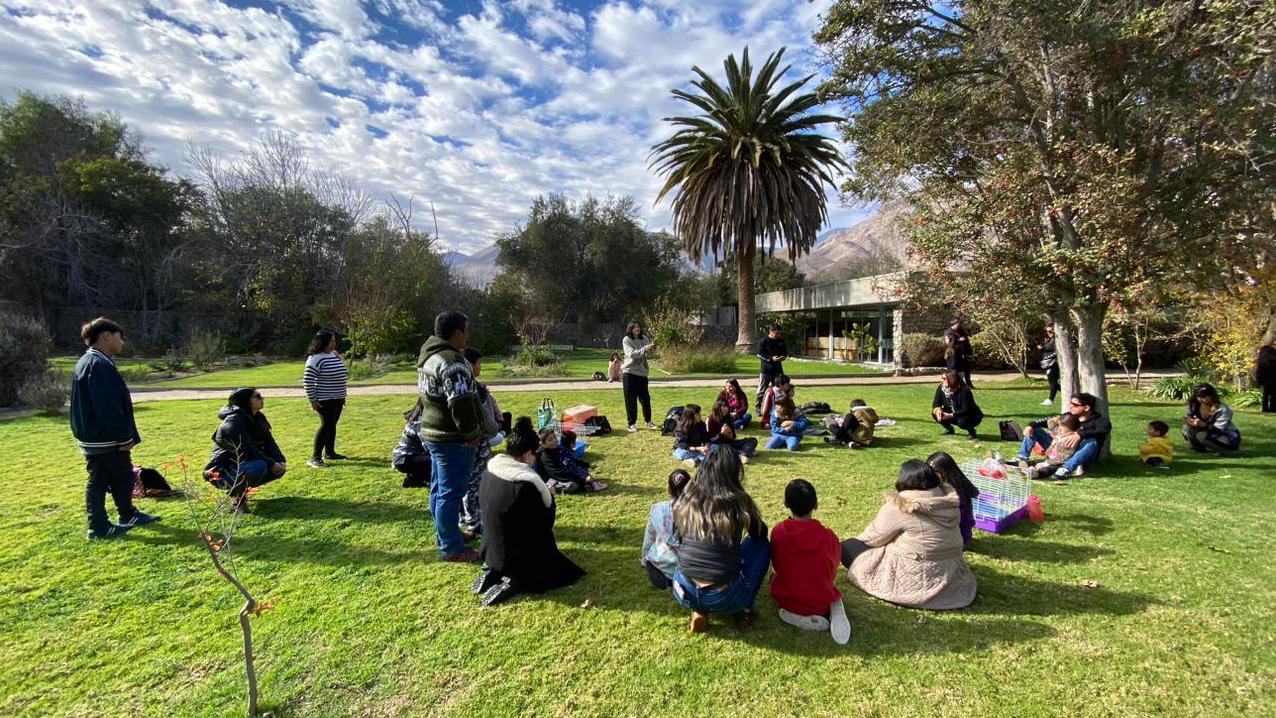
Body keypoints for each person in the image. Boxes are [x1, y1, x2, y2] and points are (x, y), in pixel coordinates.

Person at [471, 417, 585, 606]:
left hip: (491, 546)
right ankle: (513, 578)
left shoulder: (490, 471)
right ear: (526, 454)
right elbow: (543, 525)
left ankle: (493, 568)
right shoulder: (525, 485)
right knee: (549, 556)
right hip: (516, 556)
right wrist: (549, 497)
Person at [840, 460, 977, 610]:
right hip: (951, 576)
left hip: (915, 577)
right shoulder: (949, 501)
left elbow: (873, 538)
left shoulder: (901, 505)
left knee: (847, 547)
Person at [70, 317, 160, 539]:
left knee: (113, 477)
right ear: (106, 336)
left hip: (95, 436)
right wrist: (123, 436)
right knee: (106, 479)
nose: (122, 342)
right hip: (104, 437)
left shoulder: (91, 361)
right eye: (119, 337)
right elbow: (106, 406)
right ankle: (100, 526)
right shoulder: (98, 365)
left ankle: (125, 515)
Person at [671, 449, 770, 633]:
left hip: (682, 587)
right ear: (733, 472)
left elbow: (679, 539)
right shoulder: (738, 501)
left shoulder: (687, 497)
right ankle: (743, 611)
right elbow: (760, 534)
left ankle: (698, 610)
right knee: (762, 546)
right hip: (722, 595)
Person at [418, 311, 485, 562]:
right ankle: (452, 548)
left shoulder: (430, 355)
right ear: (457, 333)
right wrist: (471, 433)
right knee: (451, 493)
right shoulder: (452, 362)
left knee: (439, 488)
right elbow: (460, 403)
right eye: (466, 331)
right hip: (452, 437)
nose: (468, 336)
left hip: (434, 434)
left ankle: (446, 535)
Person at [769, 479, 852, 645]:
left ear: (786, 504)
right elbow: (833, 568)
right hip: (820, 602)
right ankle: (830, 605)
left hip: (785, 599)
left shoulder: (778, 532)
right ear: (816, 505)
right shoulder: (829, 537)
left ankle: (796, 613)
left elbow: (776, 565)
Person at [203, 388, 287, 514]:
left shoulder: (258, 417)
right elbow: (246, 449)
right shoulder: (233, 422)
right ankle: (238, 502)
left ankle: (238, 490)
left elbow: (269, 441)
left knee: (276, 468)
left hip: (242, 464)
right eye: (257, 396)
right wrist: (271, 463)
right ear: (245, 401)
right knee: (259, 465)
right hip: (221, 472)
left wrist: (280, 460)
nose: (262, 398)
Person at [460, 347, 504, 539]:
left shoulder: (468, 385)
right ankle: (475, 522)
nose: (481, 367)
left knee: (467, 481)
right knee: (474, 482)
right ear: (470, 364)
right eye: (479, 363)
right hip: (477, 441)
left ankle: (466, 516)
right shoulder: (474, 389)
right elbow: (487, 421)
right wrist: (494, 428)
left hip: (470, 441)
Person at [1015, 392, 1111, 478]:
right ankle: (1022, 457)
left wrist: (1080, 435)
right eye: (1071, 403)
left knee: (1092, 441)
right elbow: (1048, 421)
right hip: (1061, 450)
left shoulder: (1099, 421)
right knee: (1035, 429)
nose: (1070, 406)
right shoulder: (1069, 416)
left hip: (1081, 457)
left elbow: (1103, 430)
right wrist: (1031, 425)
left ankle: (1066, 468)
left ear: (1086, 407)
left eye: (1075, 405)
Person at [303, 329, 348, 468]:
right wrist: (313, 400)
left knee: (332, 425)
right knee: (326, 425)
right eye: (331, 341)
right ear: (323, 342)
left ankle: (330, 452)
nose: (334, 344)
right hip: (324, 399)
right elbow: (308, 380)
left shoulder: (333, 355)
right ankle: (315, 457)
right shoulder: (315, 358)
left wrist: (342, 395)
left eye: (334, 341)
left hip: (337, 397)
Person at [641, 469, 692, 589]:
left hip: (662, 562)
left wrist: (644, 558)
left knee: (654, 561)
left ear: (669, 489)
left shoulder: (657, 509)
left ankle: (668, 578)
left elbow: (650, 537)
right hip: (691, 566)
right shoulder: (702, 512)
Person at [926, 452, 980, 548]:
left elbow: (953, 519)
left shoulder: (956, 492)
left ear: (943, 472)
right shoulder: (956, 482)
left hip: (958, 538)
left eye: (933, 472)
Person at [537, 428, 607, 493]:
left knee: (581, 471)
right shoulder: (546, 457)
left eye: (554, 437)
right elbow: (558, 474)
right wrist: (582, 479)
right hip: (558, 478)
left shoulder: (559, 448)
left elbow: (572, 459)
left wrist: (587, 465)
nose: (554, 440)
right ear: (543, 444)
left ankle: (586, 484)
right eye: (550, 440)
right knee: (572, 485)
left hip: (568, 473)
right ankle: (583, 486)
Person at [1017, 414, 1081, 480]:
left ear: (1070, 428)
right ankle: (1014, 463)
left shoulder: (1071, 440)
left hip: (1058, 463)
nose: (1059, 428)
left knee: (1049, 469)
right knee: (1034, 462)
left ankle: (1036, 474)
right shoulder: (1060, 431)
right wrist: (1030, 426)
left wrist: (1047, 463)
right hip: (1050, 458)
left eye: (1062, 426)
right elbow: (1049, 422)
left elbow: (1063, 458)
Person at [1183, 383, 1241, 454]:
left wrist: (1203, 425)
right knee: (1187, 428)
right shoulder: (1193, 405)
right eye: (1198, 396)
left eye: (1203, 397)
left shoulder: (1222, 409)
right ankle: (1197, 448)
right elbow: (1189, 417)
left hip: (1224, 434)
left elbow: (1218, 430)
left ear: (1211, 396)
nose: (1200, 399)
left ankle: (1228, 450)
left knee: (1202, 437)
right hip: (1204, 431)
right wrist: (1189, 421)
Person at [621, 322, 658, 433]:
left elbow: (646, 355)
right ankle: (631, 424)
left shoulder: (645, 339)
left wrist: (650, 350)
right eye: (634, 327)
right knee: (631, 400)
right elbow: (632, 354)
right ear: (630, 329)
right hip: (629, 373)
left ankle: (649, 421)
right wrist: (646, 348)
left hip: (642, 374)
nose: (637, 329)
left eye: (638, 327)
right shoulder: (626, 340)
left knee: (645, 399)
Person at [931, 370, 983, 439]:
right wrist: (938, 410)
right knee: (935, 413)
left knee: (962, 421)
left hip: (971, 416)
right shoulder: (941, 388)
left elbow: (967, 409)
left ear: (951, 380)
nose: (942, 380)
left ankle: (972, 432)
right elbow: (936, 403)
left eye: (944, 378)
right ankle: (949, 429)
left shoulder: (964, 391)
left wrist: (950, 415)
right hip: (953, 414)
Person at [391, 404, 431, 489]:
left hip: (404, 457)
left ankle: (415, 478)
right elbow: (428, 447)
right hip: (405, 459)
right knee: (438, 459)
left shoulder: (417, 419)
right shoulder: (420, 423)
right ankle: (417, 478)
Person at [755, 324, 789, 414]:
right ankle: (758, 408)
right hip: (766, 370)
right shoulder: (763, 341)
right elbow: (759, 354)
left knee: (778, 390)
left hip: (778, 370)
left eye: (779, 333)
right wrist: (771, 359)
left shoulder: (781, 341)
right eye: (776, 333)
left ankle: (778, 408)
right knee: (761, 390)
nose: (778, 335)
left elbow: (785, 352)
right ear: (771, 331)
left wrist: (783, 357)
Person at [943, 317, 974, 388]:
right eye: (959, 323)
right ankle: (952, 384)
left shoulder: (962, 332)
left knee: (966, 369)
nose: (960, 325)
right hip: (952, 355)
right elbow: (949, 342)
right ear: (955, 323)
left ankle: (967, 385)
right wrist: (958, 340)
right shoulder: (948, 332)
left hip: (962, 354)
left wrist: (969, 353)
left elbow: (967, 343)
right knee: (953, 369)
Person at [1036, 326, 1060, 406]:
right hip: (1048, 364)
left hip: (1053, 364)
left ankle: (1051, 399)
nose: (1048, 333)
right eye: (1047, 331)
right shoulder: (1050, 340)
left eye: (1050, 331)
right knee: (1053, 383)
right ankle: (1070, 394)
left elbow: (1057, 353)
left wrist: (1047, 357)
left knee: (1053, 382)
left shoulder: (1057, 341)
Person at [1253, 345, 1276, 413]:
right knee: (1274, 395)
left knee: (1265, 395)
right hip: (1274, 381)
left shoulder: (1261, 362)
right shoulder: (1274, 361)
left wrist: (1259, 381)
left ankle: (1265, 408)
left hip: (1266, 381)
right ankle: (1273, 408)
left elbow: (1259, 373)